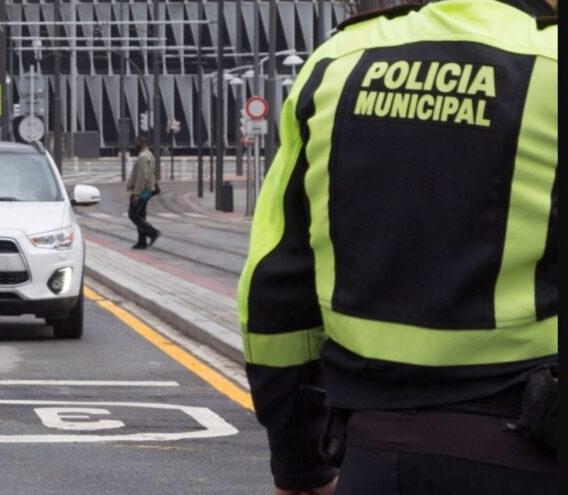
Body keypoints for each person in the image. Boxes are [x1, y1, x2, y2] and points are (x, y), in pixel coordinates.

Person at [237, 0, 557, 494]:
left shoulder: (338, 61)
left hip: (374, 454)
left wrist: (299, 461)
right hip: (533, 447)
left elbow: (275, 284)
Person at [126, 135, 160, 249]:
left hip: (142, 191)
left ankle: (153, 232)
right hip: (148, 190)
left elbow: (142, 177)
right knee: (140, 215)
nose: (134, 145)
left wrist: (136, 194)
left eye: (136, 143)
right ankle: (142, 242)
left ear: (141, 143)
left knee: (133, 214)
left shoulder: (142, 157)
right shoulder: (150, 155)